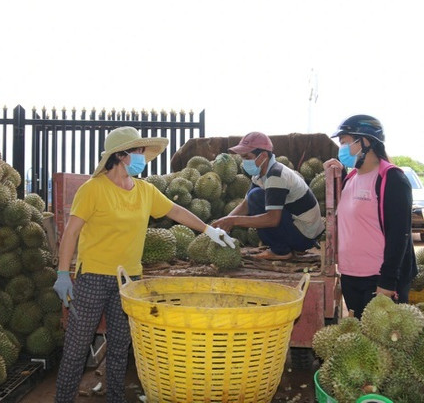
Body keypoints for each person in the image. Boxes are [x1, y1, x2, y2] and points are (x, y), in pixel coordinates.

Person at [52, 126, 234, 403]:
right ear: (121, 155)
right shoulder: (93, 189)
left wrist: (208, 229)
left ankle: (115, 398)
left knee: (120, 346)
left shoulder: (144, 190)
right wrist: (63, 273)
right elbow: (71, 232)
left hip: (129, 280)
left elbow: (175, 210)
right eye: (138, 151)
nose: (142, 157)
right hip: (93, 277)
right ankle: (62, 399)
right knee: (77, 347)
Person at [323, 114, 417, 319]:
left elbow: (399, 236)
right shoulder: (350, 178)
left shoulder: (392, 179)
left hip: (379, 280)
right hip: (350, 276)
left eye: (346, 142)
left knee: (384, 346)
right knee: (360, 341)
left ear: (366, 142)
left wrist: (387, 281)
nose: (342, 149)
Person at [212, 131, 324, 260]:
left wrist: (233, 221)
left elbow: (272, 219)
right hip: (296, 226)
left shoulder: (276, 176)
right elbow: (246, 204)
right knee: (254, 197)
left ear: (263, 155)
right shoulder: (261, 174)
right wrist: (223, 223)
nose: (243, 162)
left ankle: (281, 251)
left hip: (304, 236)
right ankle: (282, 247)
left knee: (256, 196)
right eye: (242, 158)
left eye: (247, 157)